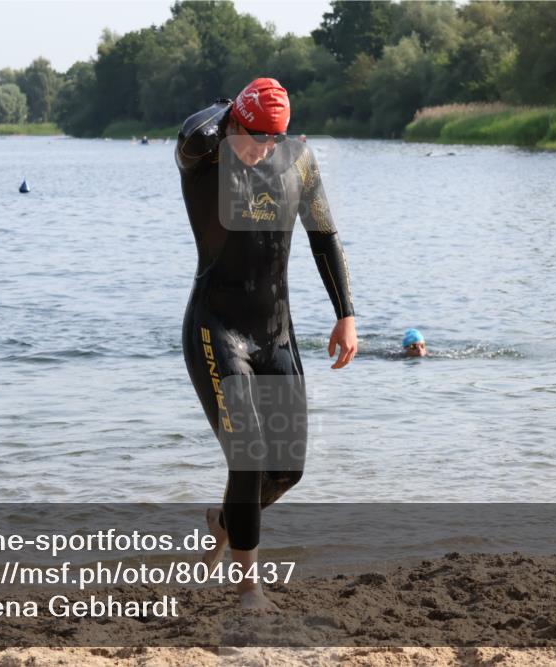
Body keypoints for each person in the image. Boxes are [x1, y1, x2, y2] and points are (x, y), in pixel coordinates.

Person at [176, 78, 358, 611]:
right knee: (249, 456)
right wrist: (233, 110)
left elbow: (324, 235)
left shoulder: (298, 160)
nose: (259, 150)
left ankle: (226, 520)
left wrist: (345, 314)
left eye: (270, 140)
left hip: (274, 331)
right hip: (216, 327)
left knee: (286, 470)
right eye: (251, 136)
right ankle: (248, 587)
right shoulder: (203, 154)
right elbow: (195, 126)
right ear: (232, 120)